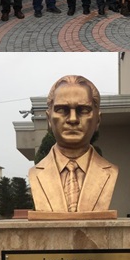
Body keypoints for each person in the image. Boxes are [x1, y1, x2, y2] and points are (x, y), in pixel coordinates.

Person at [29, 75, 118, 212]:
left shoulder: (111, 171)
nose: (73, 119)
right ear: (49, 119)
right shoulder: (35, 173)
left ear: (97, 120)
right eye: (62, 110)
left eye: (83, 110)